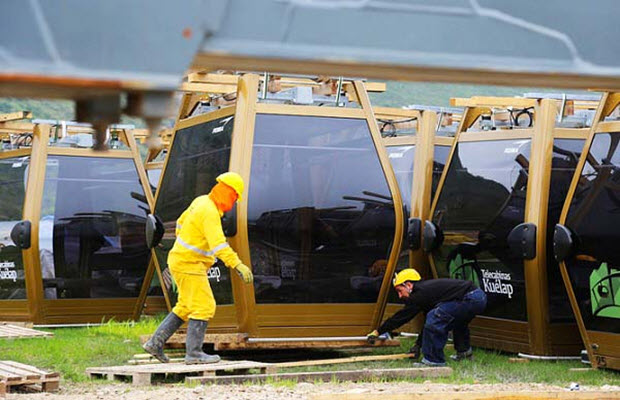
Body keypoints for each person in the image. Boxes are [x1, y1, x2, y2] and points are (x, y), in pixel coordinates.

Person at [143, 172, 254, 364]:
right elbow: (219, 245)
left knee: (186, 306)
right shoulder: (210, 213)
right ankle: (194, 354)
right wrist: (238, 265)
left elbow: (180, 223)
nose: (234, 202)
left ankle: (155, 343)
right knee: (204, 306)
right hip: (188, 264)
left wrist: (184, 245)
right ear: (229, 193)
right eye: (235, 198)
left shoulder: (201, 201)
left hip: (181, 261)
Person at [367, 269, 486, 366]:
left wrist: (378, 331)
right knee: (455, 320)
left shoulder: (419, 295)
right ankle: (464, 353)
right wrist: (418, 345)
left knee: (435, 317)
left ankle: (434, 361)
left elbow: (402, 317)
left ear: (408, 285)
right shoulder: (426, 291)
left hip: (471, 298)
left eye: (400, 290)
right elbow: (426, 326)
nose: (399, 296)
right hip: (477, 297)